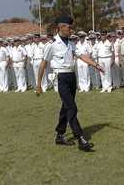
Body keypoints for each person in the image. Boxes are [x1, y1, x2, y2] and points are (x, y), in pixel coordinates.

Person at [36, 16, 104, 152]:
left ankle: (60, 135)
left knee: (66, 107)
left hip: (72, 76)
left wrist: (95, 65)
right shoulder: (52, 45)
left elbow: (81, 56)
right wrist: (38, 85)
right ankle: (80, 138)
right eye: (69, 27)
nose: (71, 29)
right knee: (72, 108)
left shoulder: (71, 43)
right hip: (61, 77)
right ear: (61, 28)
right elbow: (43, 64)